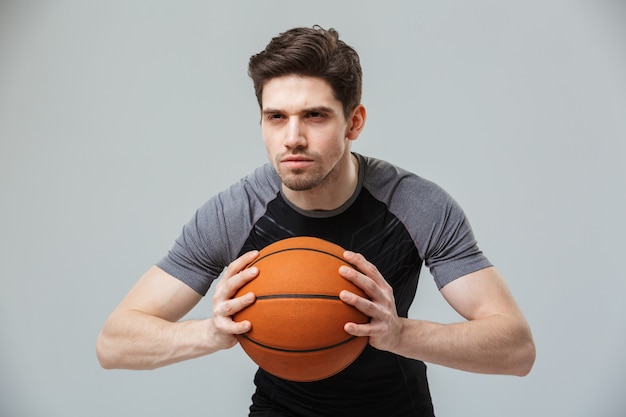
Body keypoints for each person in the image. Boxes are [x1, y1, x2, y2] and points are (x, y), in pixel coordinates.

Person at [96, 26, 535, 416]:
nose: (293, 138)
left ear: (354, 122)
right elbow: (114, 343)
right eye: (276, 117)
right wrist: (211, 333)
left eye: (315, 115)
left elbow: (516, 350)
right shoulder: (236, 213)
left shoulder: (416, 205)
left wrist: (398, 332)